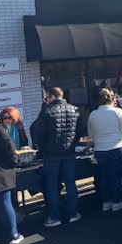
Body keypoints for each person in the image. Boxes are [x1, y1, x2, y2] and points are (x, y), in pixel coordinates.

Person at [32, 87, 85, 227]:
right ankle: (73, 213)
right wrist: (73, 143)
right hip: (69, 152)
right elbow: (80, 130)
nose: (46, 101)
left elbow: (39, 134)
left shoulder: (46, 112)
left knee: (52, 185)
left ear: (53, 97)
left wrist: (42, 148)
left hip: (51, 154)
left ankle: (55, 217)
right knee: (70, 183)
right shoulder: (74, 109)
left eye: (47, 98)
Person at [87, 88, 122, 212]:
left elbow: (91, 133)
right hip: (117, 147)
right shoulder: (117, 112)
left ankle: (106, 202)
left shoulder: (93, 114)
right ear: (113, 100)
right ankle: (117, 202)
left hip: (100, 149)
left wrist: (97, 140)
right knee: (116, 176)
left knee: (104, 176)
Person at [0, 122, 24, 244]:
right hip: (0, 172)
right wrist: (14, 162)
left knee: (1, 205)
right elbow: (10, 148)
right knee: (4, 203)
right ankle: (14, 234)